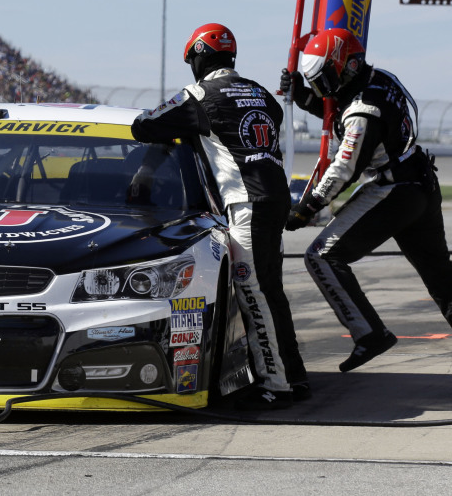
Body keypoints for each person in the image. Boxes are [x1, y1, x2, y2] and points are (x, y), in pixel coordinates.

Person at [131, 23, 307, 410]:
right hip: (276, 196)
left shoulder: (199, 94)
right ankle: (295, 374)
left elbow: (143, 125)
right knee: (271, 290)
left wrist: (189, 130)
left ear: (197, 56)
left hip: (247, 202)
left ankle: (277, 384)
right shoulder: (261, 92)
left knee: (253, 289)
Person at [282, 28, 452, 372]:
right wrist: (304, 97)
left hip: (392, 190)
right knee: (441, 278)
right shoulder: (381, 80)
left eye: (325, 80)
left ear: (348, 66)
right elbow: (344, 112)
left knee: (321, 256)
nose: (323, 90)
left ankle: (370, 333)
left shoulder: (363, 109)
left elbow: (345, 168)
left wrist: (307, 208)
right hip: (420, 181)